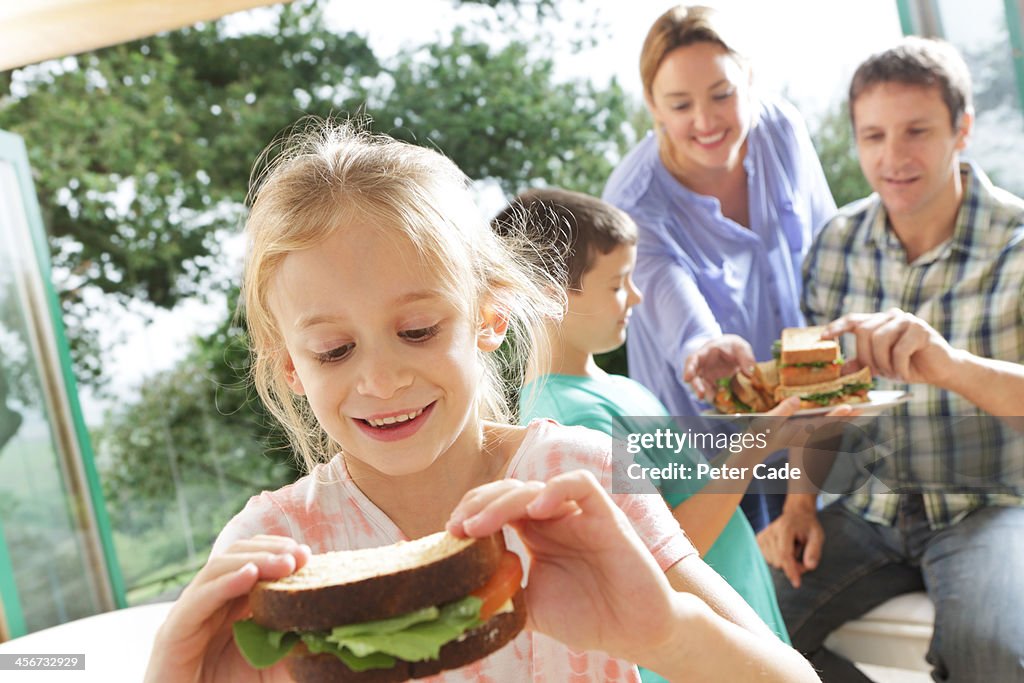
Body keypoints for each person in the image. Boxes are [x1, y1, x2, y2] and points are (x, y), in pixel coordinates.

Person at [143, 120, 819, 682]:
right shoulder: (274, 545)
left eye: (416, 331)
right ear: (291, 365)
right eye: (333, 350)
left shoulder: (577, 478)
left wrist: (668, 633)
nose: (381, 379)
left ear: (489, 316)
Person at [751, 38, 1024, 681]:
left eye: (916, 132)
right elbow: (814, 390)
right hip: (867, 510)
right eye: (872, 136)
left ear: (962, 129)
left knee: (996, 656)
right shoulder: (837, 243)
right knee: (737, 632)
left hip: (990, 507)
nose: (892, 157)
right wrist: (797, 508)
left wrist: (950, 364)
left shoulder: (1016, 244)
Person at [492, 187, 799, 657]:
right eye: (617, 284)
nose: (635, 296)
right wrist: (755, 448)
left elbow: (686, 496)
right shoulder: (570, 421)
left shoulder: (620, 388)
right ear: (550, 296)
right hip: (699, 656)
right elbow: (658, 555)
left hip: (737, 621)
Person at [602, 5, 837, 531]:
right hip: (705, 451)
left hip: (802, 423)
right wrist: (704, 347)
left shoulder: (782, 132)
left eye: (722, 94)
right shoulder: (636, 201)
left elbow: (826, 254)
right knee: (740, 590)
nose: (705, 122)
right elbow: (668, 297)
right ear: (653, 106)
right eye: (680, 104)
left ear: (748, 79)